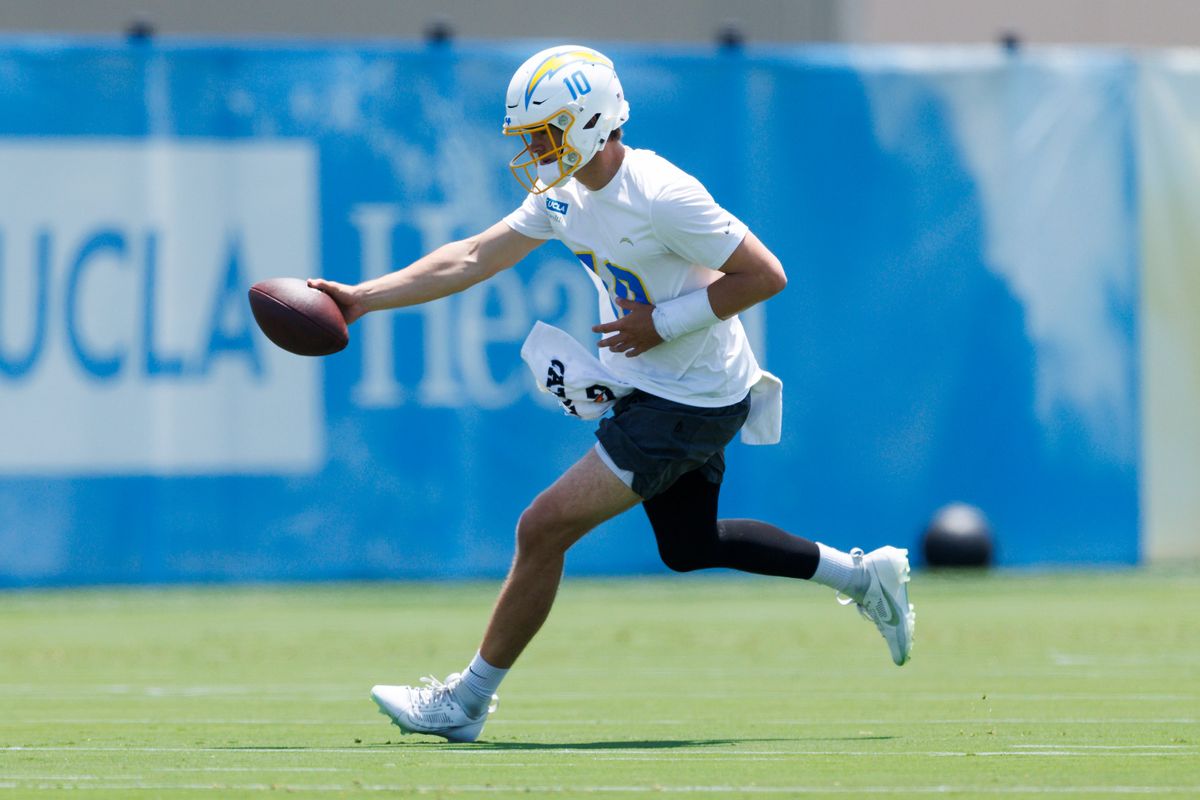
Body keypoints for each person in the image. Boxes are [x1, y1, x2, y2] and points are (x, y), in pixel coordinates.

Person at [309, 44, 915, 744]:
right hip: (661, 385)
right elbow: (474, 255)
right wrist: (361, 299)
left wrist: (659, 323)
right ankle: (867, 576)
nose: (535, 149)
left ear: (590, 121)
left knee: (542, 527)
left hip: (691, 398)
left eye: (544, 133)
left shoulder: (662, 194)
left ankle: (466, 702)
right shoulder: (565, 193)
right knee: (690, 545)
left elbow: (765, 275)